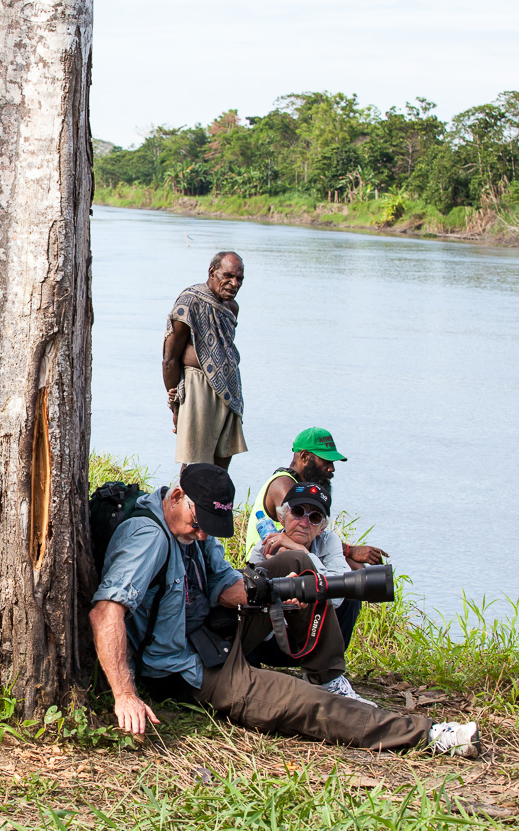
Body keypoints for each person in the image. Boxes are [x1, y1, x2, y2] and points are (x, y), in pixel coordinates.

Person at [89, 463, 481, 756]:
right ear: (176, 496)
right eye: (198, 523)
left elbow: (226, 588)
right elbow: (105, 612)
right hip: (183, 667)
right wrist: (124, 694)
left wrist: (272, 592)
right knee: (300, 703)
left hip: (211, 631)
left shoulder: (193, 529)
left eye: (211, 525)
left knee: (297, 567)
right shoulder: (148, 538)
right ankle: (430, 735)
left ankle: (328, 675)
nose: (203, 533)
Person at [244, 427, 387, 646]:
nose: (331, 469)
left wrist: (350, 560)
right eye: (325, 461)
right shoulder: (285, 485)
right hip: (272, 560)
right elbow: (298, 532)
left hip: (298, 554)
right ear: (304, 457)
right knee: (340, 573)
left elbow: (307, 537)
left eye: (315, 516)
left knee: (351, 579)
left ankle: (330, 657)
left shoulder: (302, 489)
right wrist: (352, 552)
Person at [244, 482, 372, 701]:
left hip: (313, 635)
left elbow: (340, 593)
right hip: (275, 639)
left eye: (313, 518)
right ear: (282, 517)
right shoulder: (263, 548)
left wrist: (302, 553)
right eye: (298, 512)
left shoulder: (327, 541)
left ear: (321, 527)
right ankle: (250, 672)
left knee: (350, 592)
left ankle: (324, 673)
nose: (304, 523)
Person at [163, 252, 246, 470]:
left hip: (228, 392)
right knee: (195, 466)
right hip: (197, 388)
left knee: (220, 468)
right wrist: (175, 406)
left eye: (239, 279)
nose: (234, 283)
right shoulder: (189, 302)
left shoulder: (232, 308)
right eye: (227, 276)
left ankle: (217, 505)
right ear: (212, 272)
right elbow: (169, 359)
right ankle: (187, 503)